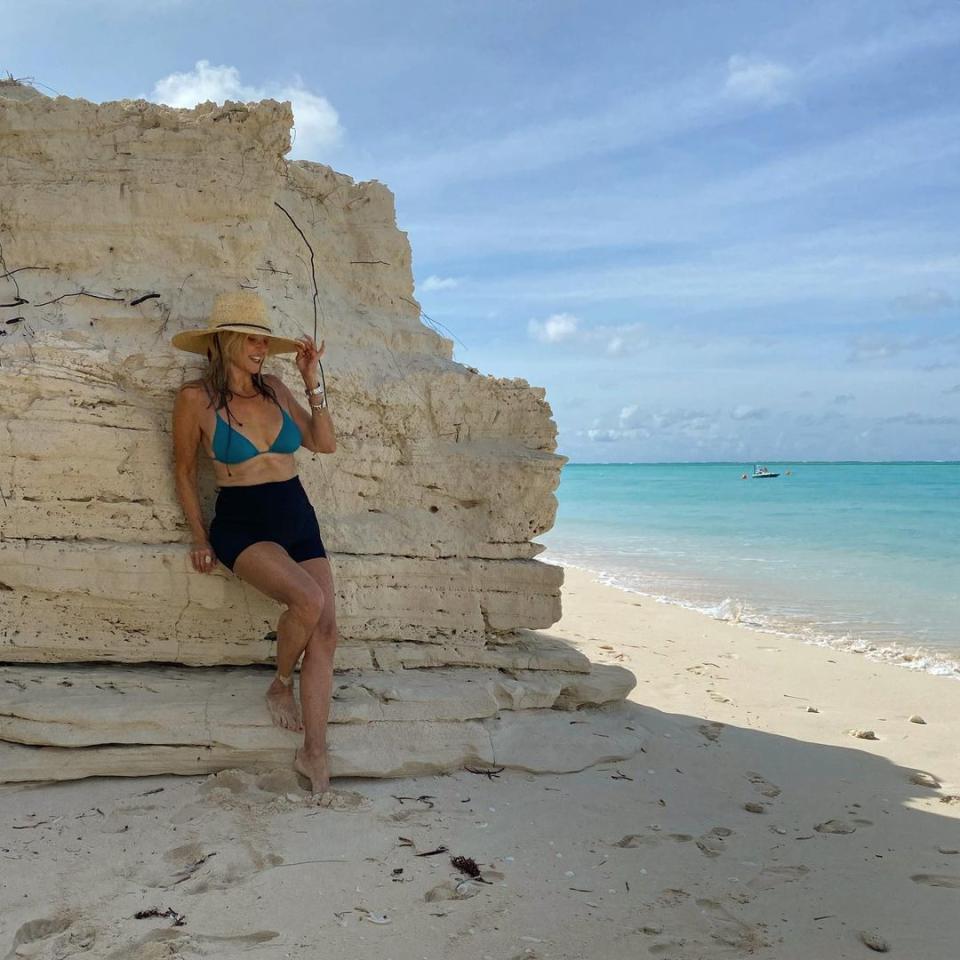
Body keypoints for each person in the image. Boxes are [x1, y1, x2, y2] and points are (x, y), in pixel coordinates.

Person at [170, 291, 337, 793]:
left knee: (327, 631)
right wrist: (199, 537)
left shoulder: (277, 388)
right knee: (309, 600)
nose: (261, 347)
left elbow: (323, 443)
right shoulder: (194, 400)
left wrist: (312, 384)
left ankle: (314, 753)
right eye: (252, 338)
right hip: (241, 523)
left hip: (296, 515)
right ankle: (279, 684)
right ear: (224, 342)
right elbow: (181, 471)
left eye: (265, 339)